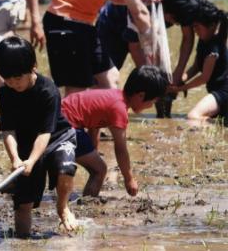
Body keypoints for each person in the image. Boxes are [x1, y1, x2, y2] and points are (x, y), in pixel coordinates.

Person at [0, 36, 78, 237]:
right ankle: (22, 239)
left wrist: (32, 160)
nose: (14, 84)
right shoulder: (4, 93)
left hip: (57, 137)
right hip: (26, 142)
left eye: (18, 78)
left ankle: (62, 206)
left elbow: (45, 133)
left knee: (65, 168)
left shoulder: (48, 90)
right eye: (8, 79)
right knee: (23, 203)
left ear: (33, 67)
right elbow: (8, 131)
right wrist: (16, 159)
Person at [61, 66, 169, 196]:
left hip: (59, 116)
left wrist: (92, 150)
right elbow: (121, 149)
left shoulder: (113, 96)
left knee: (93, 164)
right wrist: (129, 179)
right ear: (141, 95)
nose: (150, 106)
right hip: (66, 125)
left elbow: (93, 122)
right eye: (152, 101)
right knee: (100, 170)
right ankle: (87, 205)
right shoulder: (119, 109)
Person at [96, 0, 201, 116]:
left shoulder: (184, 2)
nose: (176, 24)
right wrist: (153, 83)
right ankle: (96, 121)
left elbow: (187, 38)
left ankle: (162, 116)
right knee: (106, 77)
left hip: (143, 26)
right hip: (113, 27)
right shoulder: (145, 5)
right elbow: (135, 47)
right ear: (167, 10)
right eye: (174, 21)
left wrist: (177, 75)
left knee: (162, 75)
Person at [43, 0, 155, 96]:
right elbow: (140, 13)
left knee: (110, 80)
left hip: (84, 24)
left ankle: (99, 112)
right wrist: (152, 44)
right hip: (64, 20)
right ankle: (60, 111)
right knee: (77, 89)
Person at [168, 0, 228, 125]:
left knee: (193, 117)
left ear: (211, 26)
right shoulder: (203, 41)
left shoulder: (214, 48)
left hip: (223, 92)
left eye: (197, 27)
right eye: (194, 26)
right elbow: (196, 66)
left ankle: (222, 125)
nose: (195, 31)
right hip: (217, 92)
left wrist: (181, 88)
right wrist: (181, 80)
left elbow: (204, 78)